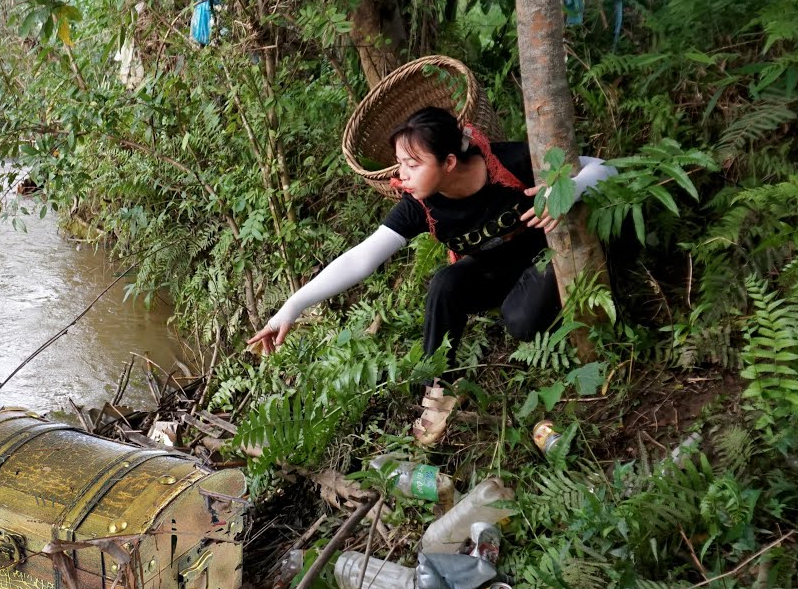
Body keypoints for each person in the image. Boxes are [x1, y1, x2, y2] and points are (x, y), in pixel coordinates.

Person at [245, 106, 617, 444]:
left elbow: (606, 169)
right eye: (399, 164)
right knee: (445, 282)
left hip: (548, 256)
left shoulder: (513, 162)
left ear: (449, 161)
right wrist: (291, 308)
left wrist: (568, 192)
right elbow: (361, 259)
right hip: (496, 272)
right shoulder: (420, 206)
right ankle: (439, 390)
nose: (401, 175)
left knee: (521, 323)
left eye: (412, 164)